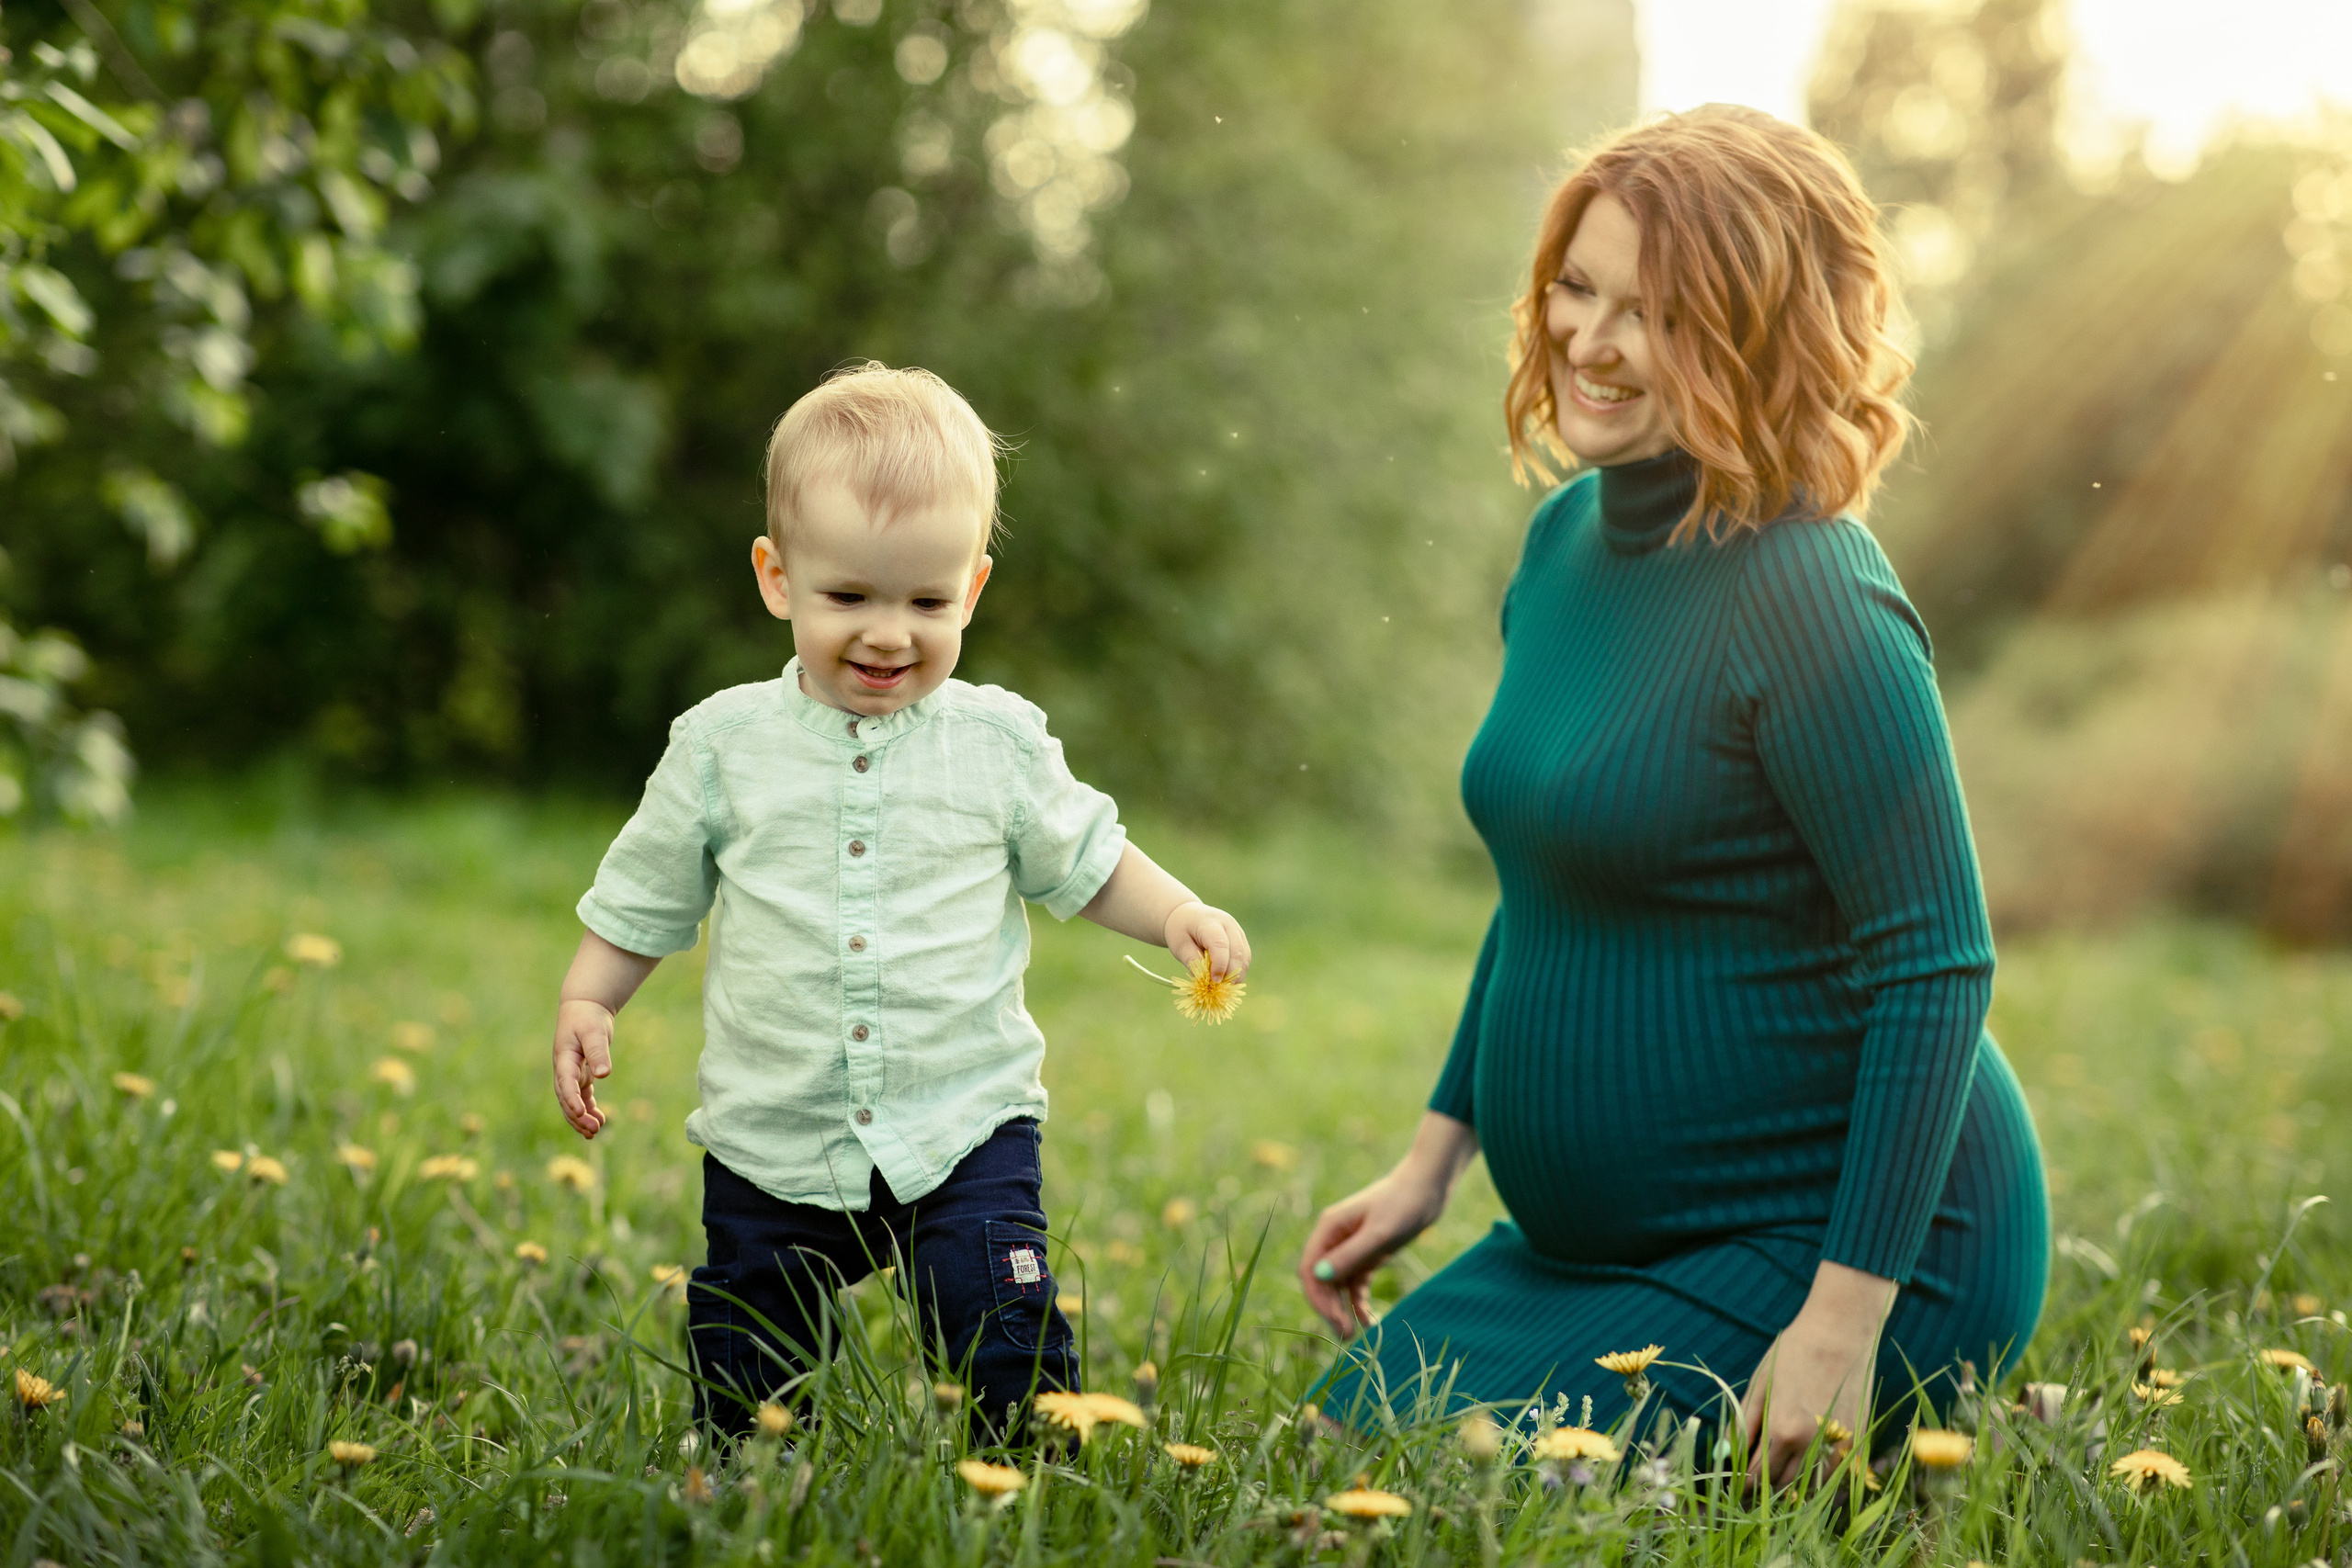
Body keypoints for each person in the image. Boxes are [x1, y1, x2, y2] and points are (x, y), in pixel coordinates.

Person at [1296, 107, 2047, 1484]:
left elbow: (1938, 963)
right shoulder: (1567, 539)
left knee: (1452, 1474)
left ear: (1760, 331)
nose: (1587, 339)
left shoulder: (1815, 589)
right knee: (1337, 1436)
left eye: (1652, 311)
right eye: (1577, 286)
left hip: (1849, 1240)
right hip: (1602, 1245)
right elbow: (1548, 876)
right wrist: (1430, 1159)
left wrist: (1838, 1321)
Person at [548, 363, 1252, 1438]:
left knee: (999, 1314)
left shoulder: (996, 742)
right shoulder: (721, 747)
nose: (888, 634)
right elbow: (644, 893)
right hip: (773, 1126)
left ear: (971, 589)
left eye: (926, 602)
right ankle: (738, 1475)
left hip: (963, 1119)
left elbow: (1087, 858)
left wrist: (1175, 913)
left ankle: (1023, 1471)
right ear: (776, 577)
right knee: (748, 1337)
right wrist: (590, 1001)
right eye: (849, 598)